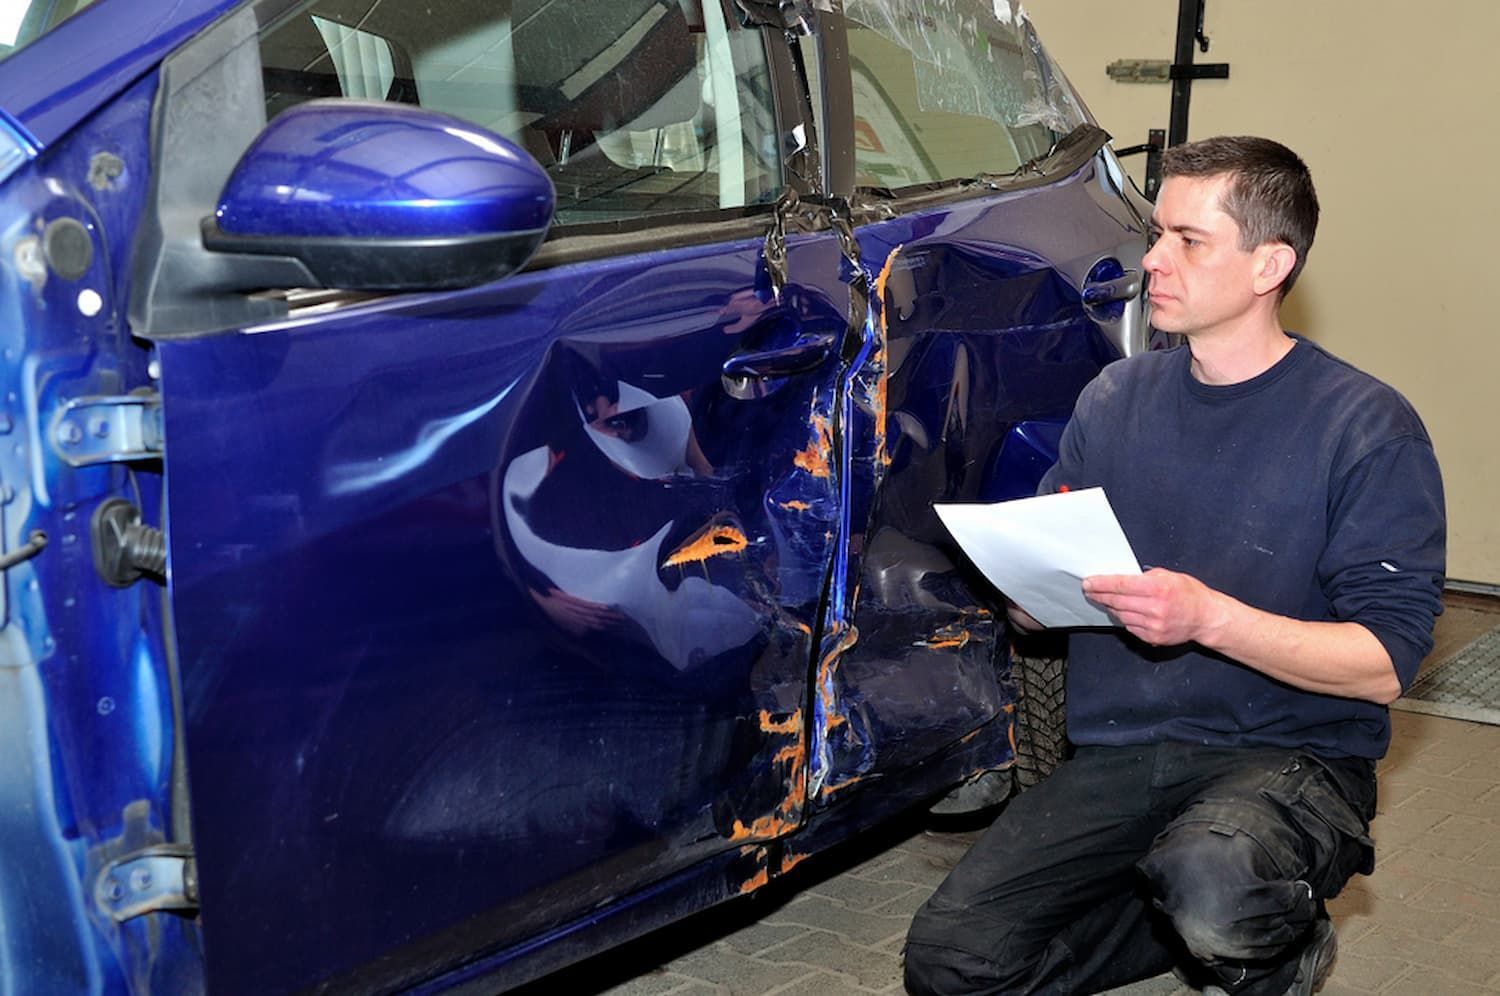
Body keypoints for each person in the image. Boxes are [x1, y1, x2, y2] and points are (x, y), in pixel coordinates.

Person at [903, 136, 1446, 996]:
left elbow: (1383, 666)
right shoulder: (1115, 399)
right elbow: (1052, 585)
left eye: (1188, 240)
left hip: (1287, 758)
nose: (1152, 259)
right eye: (1156, 233)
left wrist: (1209, 619)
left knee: (1216, 881)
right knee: (951, 963)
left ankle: (1267, 939)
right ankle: (1189, 926)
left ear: (1270, 264)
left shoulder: (1365, 427)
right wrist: (1035, 601)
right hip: (1126, 755)